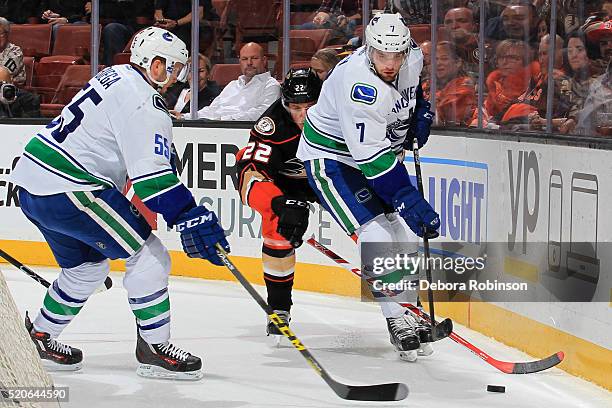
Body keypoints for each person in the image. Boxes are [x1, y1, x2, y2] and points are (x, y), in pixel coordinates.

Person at [9, 27, 230, 380]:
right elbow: (153, 182)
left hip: (31, 184)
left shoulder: (114, 75)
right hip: (71, 188)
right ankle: (155, 347)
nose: (178, 77)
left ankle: (40, 334)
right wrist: (189, 215)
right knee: (150, 256)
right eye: (173, 67)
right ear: (155, 66)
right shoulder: (146, 103)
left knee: (86, 269)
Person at [297, 13, 440, 362]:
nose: (390, 64)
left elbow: (412, 92)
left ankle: (409, 308)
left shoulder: (412, 56)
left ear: (406, 49)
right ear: (369, 49)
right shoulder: (357, 83)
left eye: (396, 55)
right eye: (381, 55)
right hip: (332, 159)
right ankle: (396, 319)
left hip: (374, 155)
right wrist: (407, 197)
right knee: (377, 235)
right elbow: (372, 160)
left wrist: (419, 112)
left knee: (404, 235)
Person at [236, 68, 322, 342]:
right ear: (285, 105)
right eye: (296, 108)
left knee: (374, 224)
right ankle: (279, 309)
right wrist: (279, 202)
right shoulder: (272, 125)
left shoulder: (341, 116)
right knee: (276, 229)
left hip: (335, 180)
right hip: (288, 185)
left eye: (311, 107)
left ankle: (400, 310)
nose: (303, 116)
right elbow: (247, 175)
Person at [179, 43, 280, 121]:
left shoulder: (271, 85)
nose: (249, 63)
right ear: (240, 61)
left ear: (264, 60)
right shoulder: (232, 85)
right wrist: (184, 116)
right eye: (244, 59)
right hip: (218, 130)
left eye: (254, 58)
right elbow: (212, 110)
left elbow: (262, 114)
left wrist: (223, 119)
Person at [423, 41, 477, 127]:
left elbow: (442, 114)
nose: (438, 63)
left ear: (458, 63)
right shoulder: (427, 85)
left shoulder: (465, 86)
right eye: (435, 59)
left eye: (444, 59)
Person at [0, 18, 26, 87]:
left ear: (7, 34)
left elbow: (3, 75)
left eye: (0, 33)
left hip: (12, 92)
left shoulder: (15, 51)